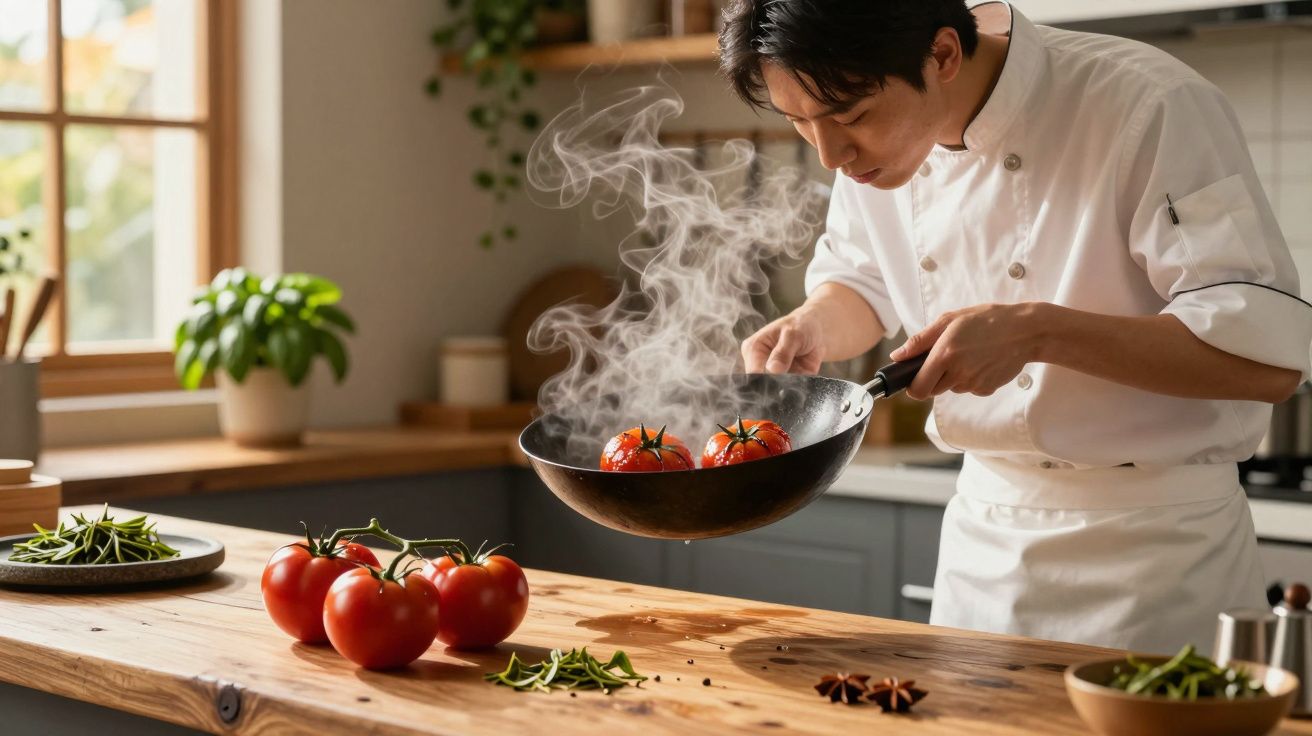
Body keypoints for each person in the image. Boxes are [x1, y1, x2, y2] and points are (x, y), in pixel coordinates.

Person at [721, 0, 1312, 653]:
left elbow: (1265, 361)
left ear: (942, 54)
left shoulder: (1150, 102)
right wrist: (813, 324)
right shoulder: (872, 144)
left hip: (1158, 557)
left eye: (850, 117)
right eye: (799, 122)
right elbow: (863, 282)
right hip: (983, 550)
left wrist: (1037, 333)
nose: (831, 154)